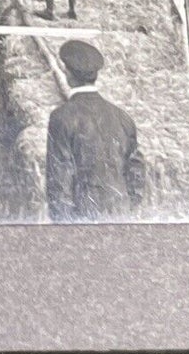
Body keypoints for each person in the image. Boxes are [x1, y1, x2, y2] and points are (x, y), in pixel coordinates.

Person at [46, 40, 147, 222]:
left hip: (82, 217)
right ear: (96, 75)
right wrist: (126, 205)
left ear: (68, 74)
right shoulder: (122, 117)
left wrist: (62, 226)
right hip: (120, 214)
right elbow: (137, 171)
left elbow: (59, 179)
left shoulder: (61, 118)